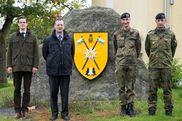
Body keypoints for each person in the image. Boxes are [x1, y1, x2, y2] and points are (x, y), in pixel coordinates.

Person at [7, 16, 39, 119]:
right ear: (18, 24)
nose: (22, 24)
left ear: (27, 24)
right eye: (20, 22)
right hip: (16, 66)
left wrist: (35, 65)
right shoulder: (13, 36)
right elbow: (9, 52)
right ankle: (17, 111)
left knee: (27, 90)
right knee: (16, 89)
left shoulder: (32, 37)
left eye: (24, 22)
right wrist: (9, 65)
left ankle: (24, 109)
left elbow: (36, 53)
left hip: (28, 67)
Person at [145, 13, 177, 116]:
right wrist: (154, 58)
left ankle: (168, 110)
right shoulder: (150, 35)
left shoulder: (171, 35)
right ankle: (151, 110)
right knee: (152, 90)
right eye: (158, 20)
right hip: (154, 66)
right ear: (155, 21)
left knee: (167, 90)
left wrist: (167, 59)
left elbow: (173, 48)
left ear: (165, 21)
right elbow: (147, 49)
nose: (160, 22)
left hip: (166, 66)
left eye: (162, 20)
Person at [42, 19, 74, 121]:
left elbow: (72, 53)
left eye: (61, 25)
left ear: (63, 26)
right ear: (55, 26)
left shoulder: (70, 39)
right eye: (58, 25)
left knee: (65, 94)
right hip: (53, 71)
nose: (60, 26)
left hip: (65, 71)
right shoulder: (48, 40)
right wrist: (53, 62)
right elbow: (45, 54)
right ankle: (54, 113)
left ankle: (64, 113)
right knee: (53, 93)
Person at [113, 12, 141, 116]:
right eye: (124, 20)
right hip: (120, 63)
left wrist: (133, 57)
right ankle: (123, 108)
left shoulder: (135, 33)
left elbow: (138, 48)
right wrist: (119, 58)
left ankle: (130, 107)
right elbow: (115, 48)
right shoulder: (116, 34)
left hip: (132, 64)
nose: (125, 22)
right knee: (121, 87)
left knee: (130, 86)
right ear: (121, 21)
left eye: (127, 20)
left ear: (129, 20)